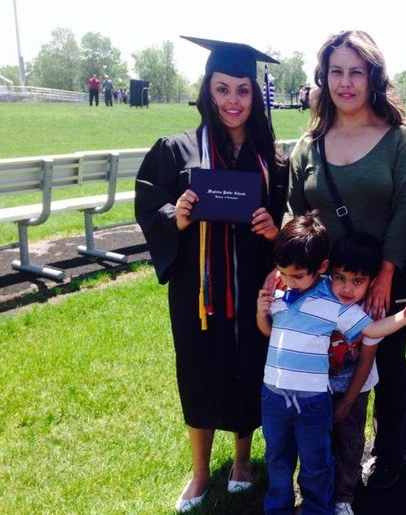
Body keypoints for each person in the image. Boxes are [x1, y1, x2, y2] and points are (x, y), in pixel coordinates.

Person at [134, 36, 286, 513]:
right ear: (207, 90)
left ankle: (242, 461)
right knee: (197, 371)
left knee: (248, 365)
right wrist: (174, 218)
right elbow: (147, 204)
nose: (232, 101)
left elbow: (289, 219)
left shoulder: (271, 158)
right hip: (196, 292)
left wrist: (273, 230)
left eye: (242, 90)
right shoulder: (176, 149)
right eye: (222, 89)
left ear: (254, 96)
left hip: (251, 288)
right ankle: (201, 472)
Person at [281, 29, 406, 496]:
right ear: (324, 78)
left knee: (388, 368)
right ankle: (327, 464)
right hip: (324, 286)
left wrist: (385, 274)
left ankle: (389, 457)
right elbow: (295, 211)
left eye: (355, 72)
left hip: (384, 278)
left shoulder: (398, 139)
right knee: (325, 368)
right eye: (336, 72)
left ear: (372, 78)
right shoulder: (308, 146)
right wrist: (290, 273)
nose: (345, 82)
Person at [256, 213, 406, 515]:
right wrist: (261, 312)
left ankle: (324, 506)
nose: (289, 280)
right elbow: (272, 332)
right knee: (278, 459)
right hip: (273, 397)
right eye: (284, 273)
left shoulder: (335, 305)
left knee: (318, 461)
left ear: (320, 269)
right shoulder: (282, 292)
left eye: (297, 275)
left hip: (313, 400)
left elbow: (371, 333)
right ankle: (279, 508)